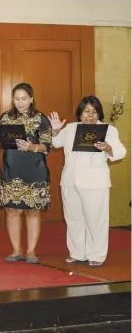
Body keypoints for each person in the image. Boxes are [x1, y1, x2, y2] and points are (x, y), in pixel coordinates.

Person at [49, 96, 126, 268]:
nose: (90, 115)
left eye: (94, 112)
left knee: (95, 219)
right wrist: (54, 131)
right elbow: (55, 143)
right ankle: (77, 253)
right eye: (86, 111)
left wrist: (108, 148)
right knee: (73, 218)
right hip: (70, 180)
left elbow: (121, 152)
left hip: (95, 182)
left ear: (99, 114)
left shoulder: (108, 130)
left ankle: (97, 254)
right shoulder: (70, 128)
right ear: (80, 113)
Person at [0, 82, 52, 264]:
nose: (20, 102)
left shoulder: (40, 118)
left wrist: (32, 146)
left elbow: (47, 144)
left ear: (31, 99)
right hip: (11, 170)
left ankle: (31, 251)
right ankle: (16, 250)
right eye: (16, 99)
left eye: (24, 99)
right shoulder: (6, 117)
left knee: (32, 211)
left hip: (35, 171)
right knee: (12, 211)